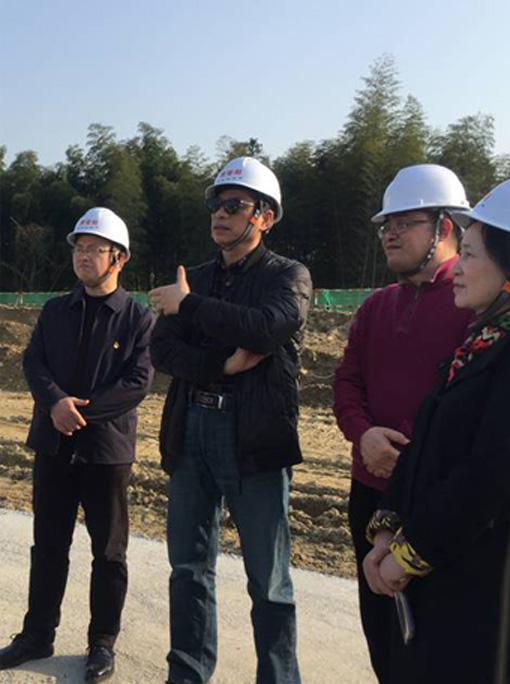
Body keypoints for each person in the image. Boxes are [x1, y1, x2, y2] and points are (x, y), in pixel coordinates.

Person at [363, 175, 510, 683]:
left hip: (489, 594)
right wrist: (386, 528)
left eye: (469, 254)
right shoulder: (481, 346)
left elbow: (493, 478)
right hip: (439, 576)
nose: (459, 267)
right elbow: (424, 445)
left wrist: (410, 552)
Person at [149, 156, 312, 684]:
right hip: (190, 429)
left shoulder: (287, 276)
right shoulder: (193, 279)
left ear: (264, 216)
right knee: (188, 569)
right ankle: (187, 673)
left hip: (254, 435)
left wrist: (190, 308)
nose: (219, 214)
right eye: (215, 205)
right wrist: (221, 364)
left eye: (234, 205)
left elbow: (267, 327)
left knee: (269, 580)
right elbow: (162, 349)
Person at [0, 208, 155, 682]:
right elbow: (34, 361)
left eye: (94, 249)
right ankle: (36, 635)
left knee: (108, 552)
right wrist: (54, 403)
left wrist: (80, 413)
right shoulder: (55, 311)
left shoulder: (137, 318)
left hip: (106, 451)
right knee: (48, 544)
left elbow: (138, 381)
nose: (84, 256)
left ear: (119, 258)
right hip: (53, 444)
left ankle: (101, 642)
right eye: (79, 249)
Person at [333, 164, 474, 682]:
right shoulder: (376, 306)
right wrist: (363, 433)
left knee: (436, 640)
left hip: (435, 500)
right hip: (370, 490)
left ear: (444, 227)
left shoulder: (474, 305)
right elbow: (346, 382)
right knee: (382, 631)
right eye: (386, 225)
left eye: (404, 223)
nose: (390, 234)